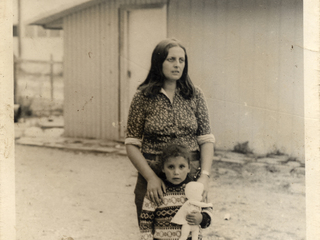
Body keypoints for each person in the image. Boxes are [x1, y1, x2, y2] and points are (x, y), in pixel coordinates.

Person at [125, 38, 215, 224]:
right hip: (154, 176)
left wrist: (204, 177)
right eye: (171, 59)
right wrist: (150, 178)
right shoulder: (143, 97)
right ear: (159, 63)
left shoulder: (194, 95)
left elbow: (206, 140)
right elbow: (131, 144)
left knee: (189, 228)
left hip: (189, 175)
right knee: (154, 230)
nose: (177, 65)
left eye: (181, 60)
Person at [139, 144, 212, 240]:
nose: (176, 172)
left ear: (189, 168)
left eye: (181, 167)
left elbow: (208, 210)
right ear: (163, 168)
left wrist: (202, 218)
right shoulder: (157, 191)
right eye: (171, 167)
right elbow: (145, 224)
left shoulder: (194, 190)